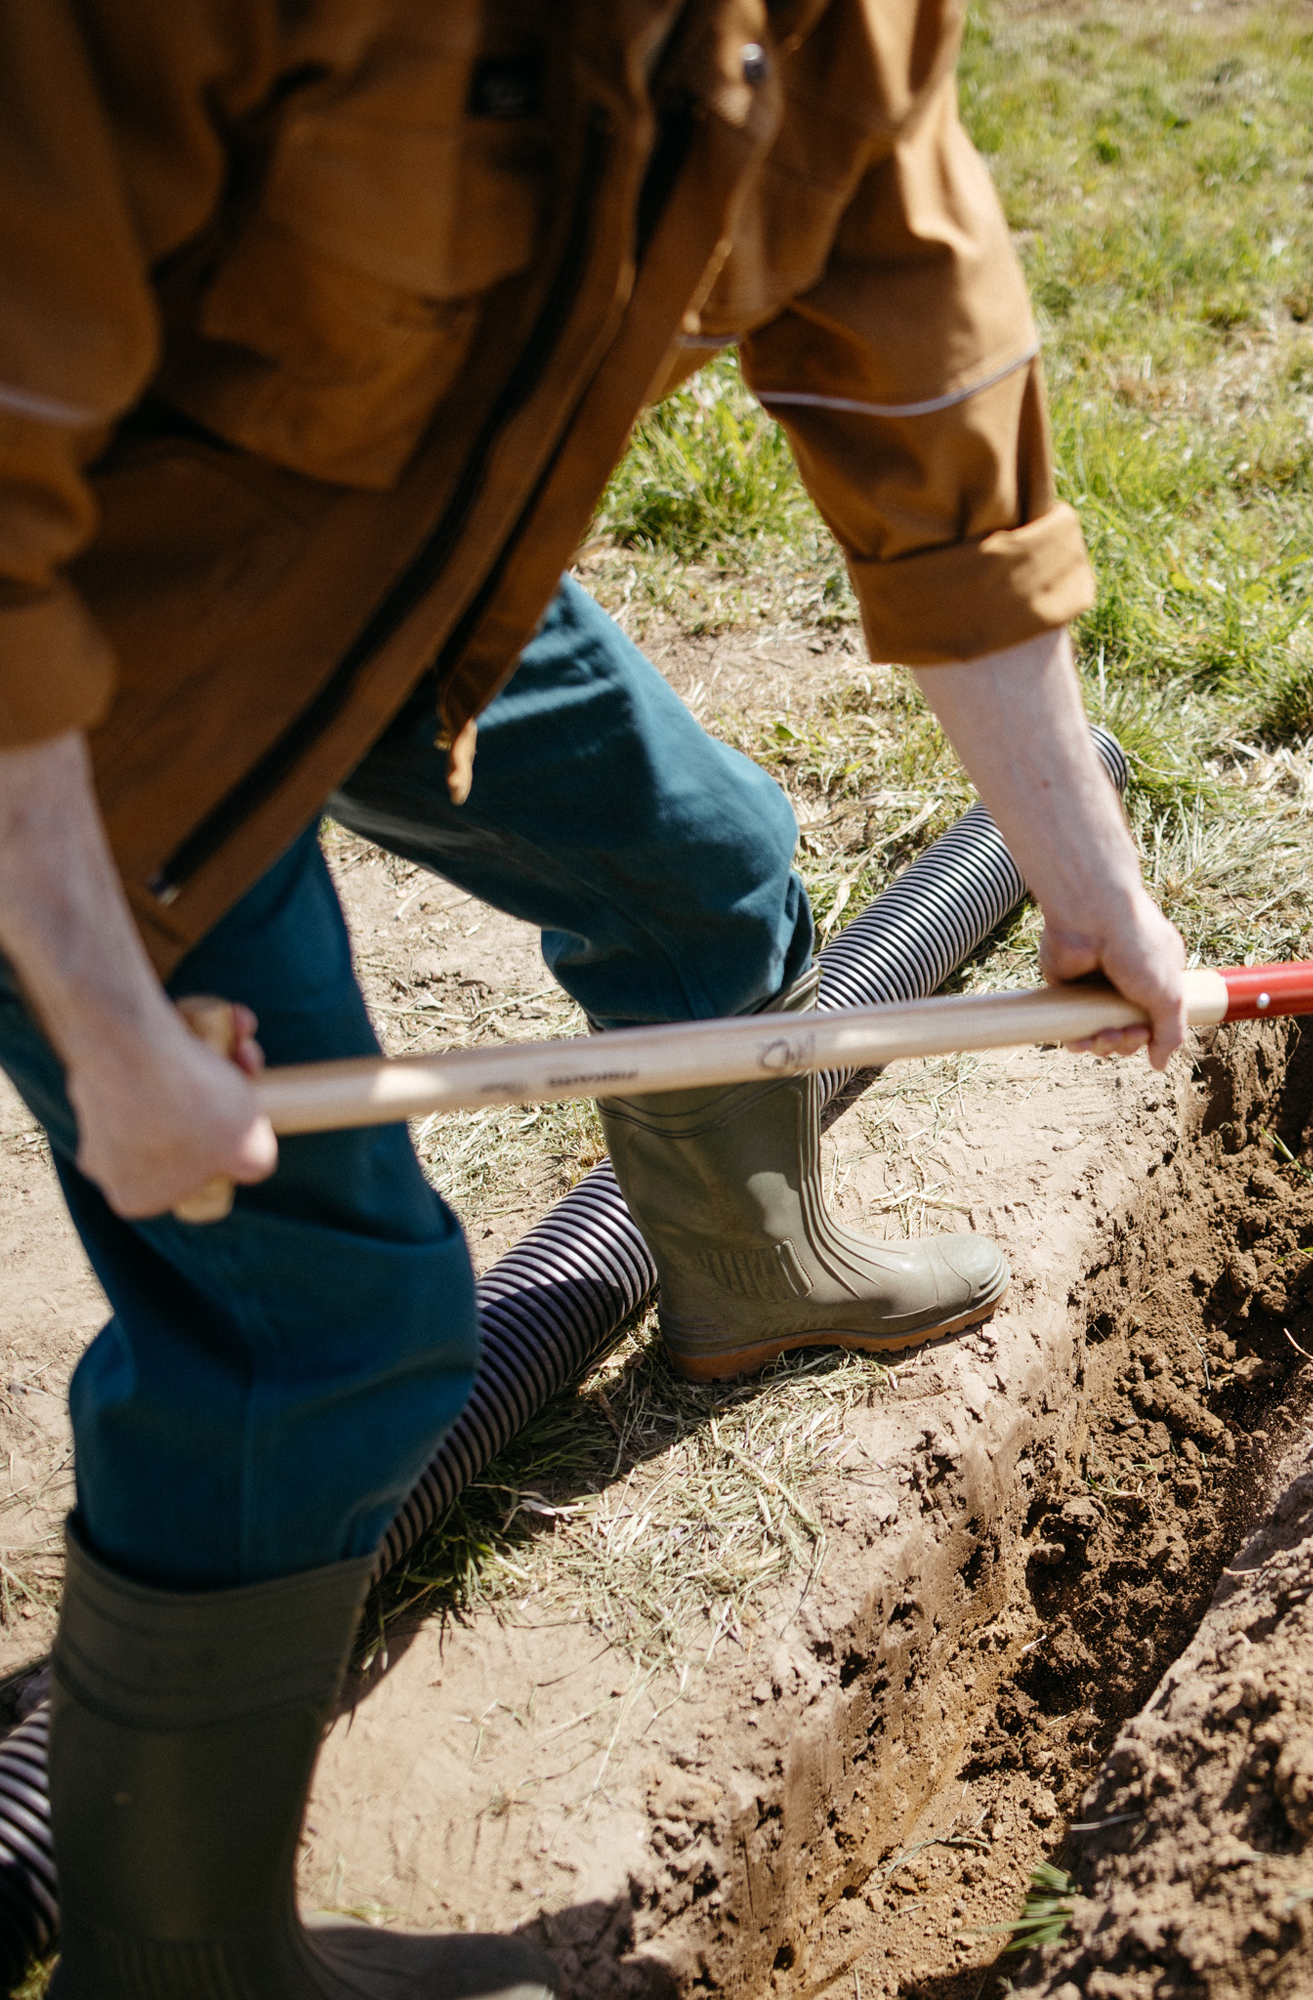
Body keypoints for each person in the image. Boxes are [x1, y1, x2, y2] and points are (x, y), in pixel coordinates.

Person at [0, 3, 1187, 1994]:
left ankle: (746, 1273)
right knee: (320, 1317)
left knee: (699, 864)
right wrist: (108, 1013)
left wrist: (1091, 888)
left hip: (407, 529)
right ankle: (175, 1954)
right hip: (87, 626)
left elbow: (930, 394)